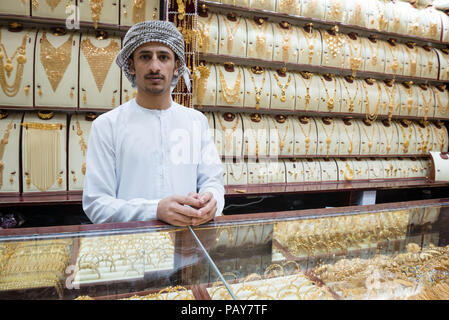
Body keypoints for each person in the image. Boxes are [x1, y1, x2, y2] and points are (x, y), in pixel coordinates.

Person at [82, 20, 224, 226]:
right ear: (131, 66)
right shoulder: (107, 126)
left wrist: (212, 200)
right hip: (131, 249)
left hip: (187, 246)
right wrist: (155, 210)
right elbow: (97, 204)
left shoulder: (196, 122)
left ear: (176, 67)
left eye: (163, 57)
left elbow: (213, 181)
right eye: (145, 57)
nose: (155, 66)